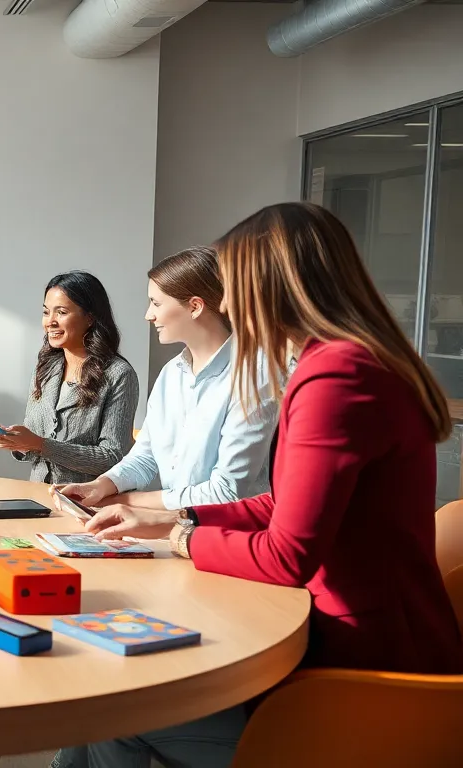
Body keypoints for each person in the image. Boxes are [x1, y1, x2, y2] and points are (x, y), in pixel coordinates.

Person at [54, 203, 463, 768]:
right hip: (373, 645)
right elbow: (290, 500)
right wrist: (174, 520)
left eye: (237, 286)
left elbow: (289, 553)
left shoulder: (333, 376)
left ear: (269, 287)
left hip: (357, 676)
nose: (231, 301)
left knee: (117, 714)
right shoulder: (356, 361)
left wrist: (181, 540)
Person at [56, 247, 277, 510]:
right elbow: (145, 456)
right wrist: (101, 486)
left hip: (231, 537)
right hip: (176, 528)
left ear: (195, 306)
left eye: (157, 303)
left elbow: (226, 491)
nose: (148, 315)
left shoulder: (254, 377)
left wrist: (125, 502)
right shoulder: (172, 373)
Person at [0, 271, 137, 485]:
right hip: (38, 496)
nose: (50, 322)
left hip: (87, 503)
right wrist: (15, 441)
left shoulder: (119, 374)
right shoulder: (46, 368)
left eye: (62, 312)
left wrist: (41, 444)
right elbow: (35, 442)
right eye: (46, 312)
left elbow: (112, 458)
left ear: (90, 317)